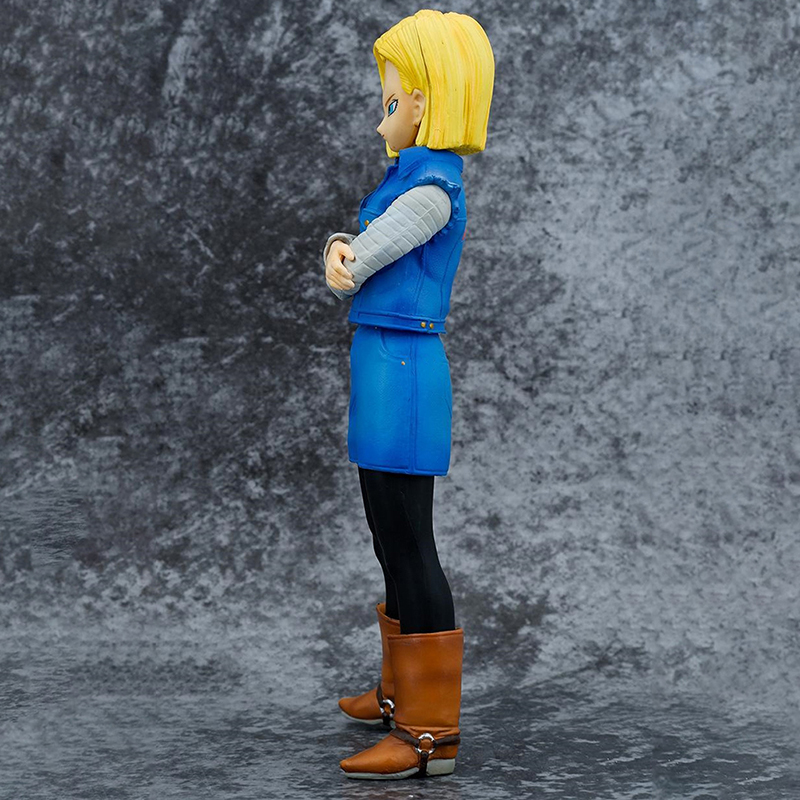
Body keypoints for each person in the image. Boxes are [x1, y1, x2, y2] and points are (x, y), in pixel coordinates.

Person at [323, 9, 495, 780]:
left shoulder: (430, 188)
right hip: (382, 363)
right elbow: (355, 255)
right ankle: (400, 691)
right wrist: (343, 252)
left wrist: (343, 252)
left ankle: (430, 732)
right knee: (387, 534)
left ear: (423, 102)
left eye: (390, 101)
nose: (381, 115)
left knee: (410, 539)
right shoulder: (409, 178)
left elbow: (362, 257)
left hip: (404, 368)